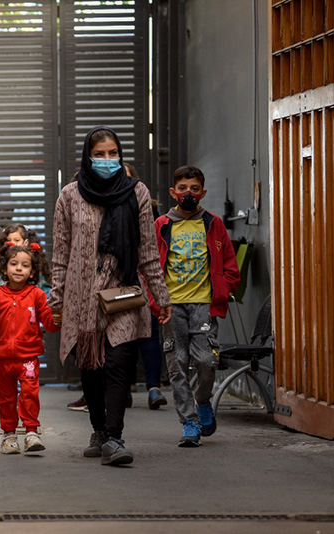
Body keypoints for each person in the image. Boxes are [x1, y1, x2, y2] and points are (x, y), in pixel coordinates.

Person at [49, 126, 171, 466]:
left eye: (113, 153)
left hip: (123, 292)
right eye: (99, 154)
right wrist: (57, 301)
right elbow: (61, 253)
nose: (106, 160)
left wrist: (161, 296)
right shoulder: (70, 195)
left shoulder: (137, 193)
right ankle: (99, 430)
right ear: (88, 156)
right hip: (81, 297)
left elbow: (147, 249)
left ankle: (115, 438)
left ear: (121, 155)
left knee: (119, 363)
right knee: (90, 366)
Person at [154, 165, 240, 447]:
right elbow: (151, 266)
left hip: (204, 303)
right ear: (173, 192)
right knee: (177, 365)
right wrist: (157, 299)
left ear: (202, 193)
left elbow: (229, 263)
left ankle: (202, 400)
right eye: (182, 189)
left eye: (193, 189)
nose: (187, 194)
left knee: (205, 360)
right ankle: (189, 423)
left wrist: (225, 290)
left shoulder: (213, 223)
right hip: (171, 305)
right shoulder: (162, 225)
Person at [0, 241, 59, 454]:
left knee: (30, 394)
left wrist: (57, 317)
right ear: (4, 268)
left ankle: (31, 432)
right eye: (13, 264)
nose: (19, 268)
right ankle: (9, 435)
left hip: (28, 357)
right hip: (1, 358)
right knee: (6, 398)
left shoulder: (37, 295)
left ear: (33, 271)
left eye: (25, 265)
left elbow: (48, 323)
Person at [0, 223, 53, 411]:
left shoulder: (34, 277)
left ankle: (30, 423)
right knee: (5, 377)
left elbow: (45, 291)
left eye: (16, 240)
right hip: (5, 334)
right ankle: (5, 399)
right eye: (8, 241)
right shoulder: (0, 277)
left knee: (28, 384)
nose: (12, 243)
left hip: (29, 326)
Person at [125, 162, 169, 410]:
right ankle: (126, 388)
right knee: (123, 336)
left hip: (145, 278)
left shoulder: (150, 212)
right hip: (118, 281)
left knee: (150, 333)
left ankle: (154, 388)